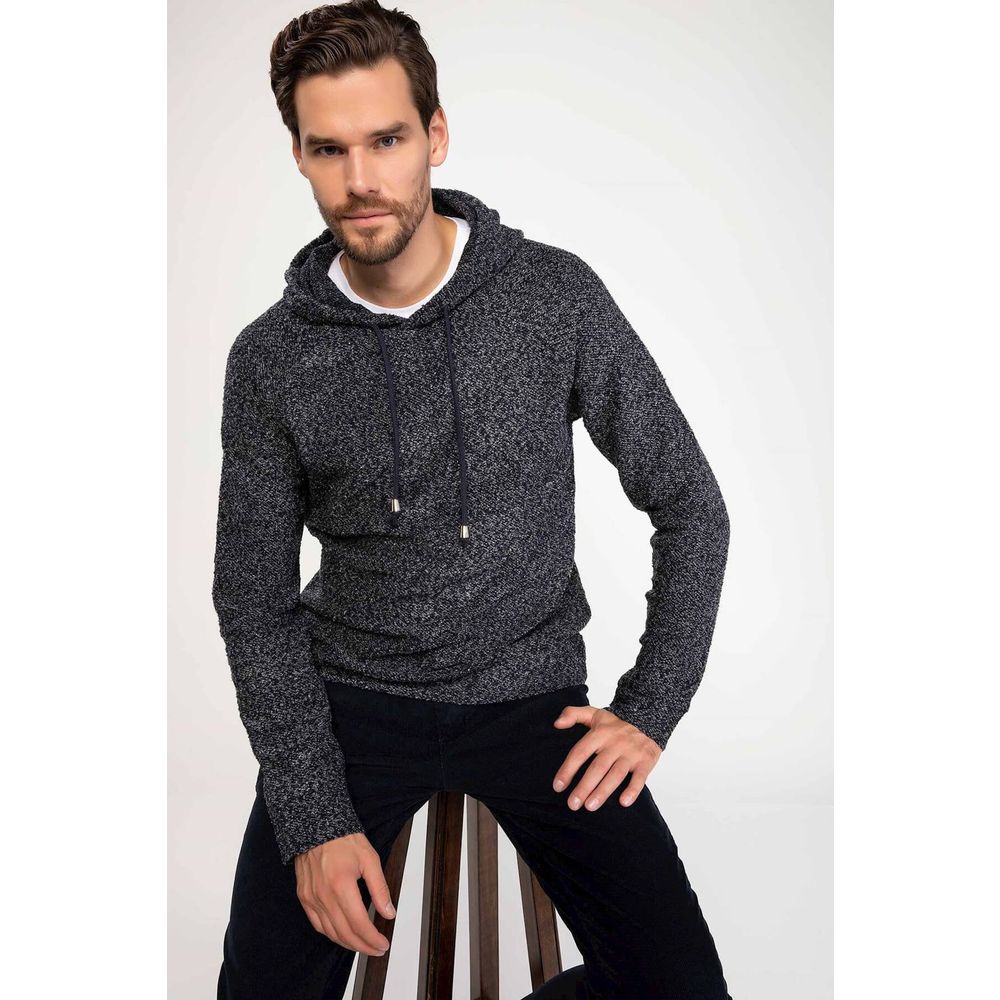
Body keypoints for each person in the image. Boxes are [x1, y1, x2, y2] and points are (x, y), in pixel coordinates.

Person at [211, 2, 733, 997]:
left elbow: (688, 502)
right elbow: (251, 598)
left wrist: (649, 707)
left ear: (435, 135)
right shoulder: (272, 358)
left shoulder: (551, 298)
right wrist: (313, 816)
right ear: (299, 156)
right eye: (329, 149)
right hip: (349, 707)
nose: (360, 180)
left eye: (387, 140)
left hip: (530, 699)